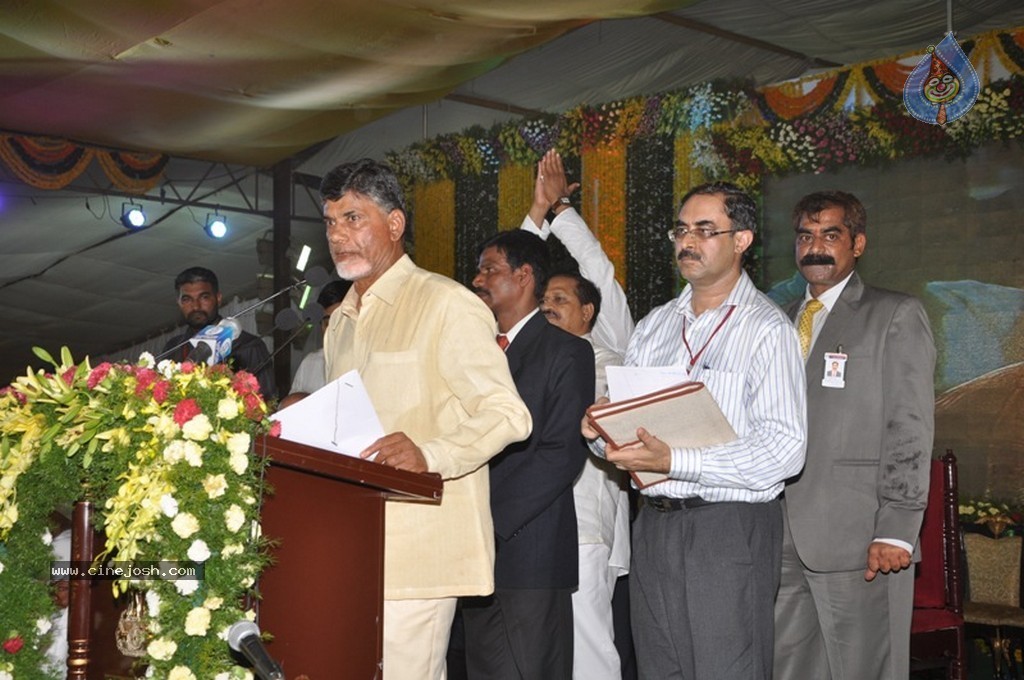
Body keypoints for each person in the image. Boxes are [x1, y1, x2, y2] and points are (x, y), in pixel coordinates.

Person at [582, 181, 806, 679]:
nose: (688, 241)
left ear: (742, 239)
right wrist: (600, 428)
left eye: (706, 230)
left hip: (728, 528)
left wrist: (675, 460)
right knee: (662, 669)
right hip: (656, 524)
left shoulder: (767, 329)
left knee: (727, 668)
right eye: (682, 230)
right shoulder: (656, 325)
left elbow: (785, 449)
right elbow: (628, 430)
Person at [319, 158, 531, 680]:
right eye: (330, 222)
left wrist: (428, 454)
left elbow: (508, 415)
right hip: (353, 545)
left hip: (419, 551)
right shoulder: (339, 324)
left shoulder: (446, 304)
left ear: (394, 224)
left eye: (353, 218)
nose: (338, 236)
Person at [774, 190, 935, 680]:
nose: (815, 246)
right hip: (775, 536)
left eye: (830, 234)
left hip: (860, 535)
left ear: (858, 243)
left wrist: (897, 526)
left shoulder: (894, 315)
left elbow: (910, 427)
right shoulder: (775, 321)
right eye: (805, 235)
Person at [521, 149, 633, 680]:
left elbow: (599, 272)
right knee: (537, 650)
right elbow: (510, 276)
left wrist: (560, 211)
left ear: (589, 312)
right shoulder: (525, 359)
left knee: (588, 649)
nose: (546, 306)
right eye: (542, 299)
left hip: (585, 523)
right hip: (528, 523)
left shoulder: (607, 350)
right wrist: (533, 216)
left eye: (560, 299)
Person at [464, 229, 595, 679]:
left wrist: (486, 518)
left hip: (529, 548)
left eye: (489, 269)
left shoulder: (567, 351)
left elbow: (561, 454)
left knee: (532, 670)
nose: (478, 279)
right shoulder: (473, 351)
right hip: (473, 553)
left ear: (523, 277)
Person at [162, 266, 276, 399]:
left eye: (204, 297)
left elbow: (267, 402)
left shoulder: (248, 345)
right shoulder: (173, 347)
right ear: (179, 303)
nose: (196, 306)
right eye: (187, 299)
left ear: (218, 298)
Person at [288, 279, 351, 394]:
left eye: (341, 322)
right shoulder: (310, 363)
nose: (334, 330)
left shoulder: (372, 363)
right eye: (328, 323)